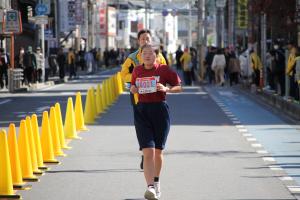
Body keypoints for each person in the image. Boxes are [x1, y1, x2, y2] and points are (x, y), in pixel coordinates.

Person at [130, 44, 182, 200]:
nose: (147, 56)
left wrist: (166, 89)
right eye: (144, 53)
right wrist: (133, 89)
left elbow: (178, 87)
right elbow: (133, 86)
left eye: (151, 53)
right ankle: (150, 187)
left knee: (158, 151)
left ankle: (157, 182)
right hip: (142, 111)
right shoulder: (137, 70)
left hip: (160, 111)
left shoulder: (164, 70)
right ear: (140, 56)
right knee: (148, 151)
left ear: (156, 56)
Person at [120, 29, 167, 170]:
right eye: (142, 39)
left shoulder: (159, 56)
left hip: (157, 98)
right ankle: (145, 153)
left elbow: (165, 70)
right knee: (142, 127)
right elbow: (123, 74)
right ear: (138, 41)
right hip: (138, 97)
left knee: (156, 126)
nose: (145, 41)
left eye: (147, 39)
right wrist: (136, 80)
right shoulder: (133, 58)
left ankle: (149, 153)